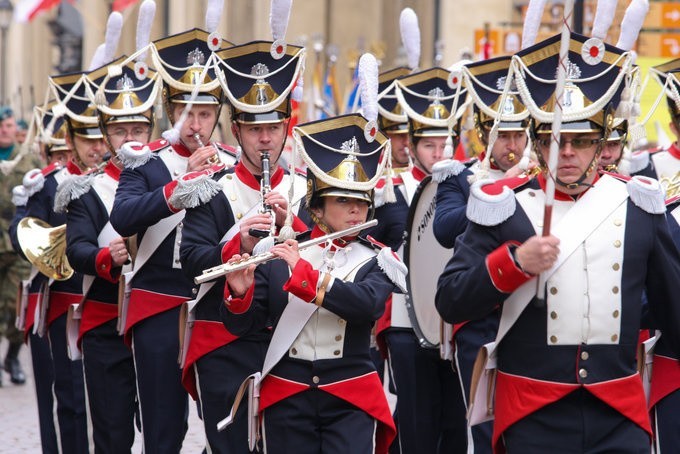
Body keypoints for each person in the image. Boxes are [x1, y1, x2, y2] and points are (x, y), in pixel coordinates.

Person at [436, 32, 680, 453]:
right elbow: (451, 299)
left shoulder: (640, 206)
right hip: (532, 412)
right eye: (553, 141)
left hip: (618, 413)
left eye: (580, 141)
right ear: (539, 141)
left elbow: (673, 307)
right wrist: (512, 263)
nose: (566, 153)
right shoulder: (504, 208)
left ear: (601, 143)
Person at [221, 104, 405, 454]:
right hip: (288, 394)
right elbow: (246, 328)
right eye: (343, 200)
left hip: (350, 394)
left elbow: (366, 305)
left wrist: (305, 276)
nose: (356, 211)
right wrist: (239, 294)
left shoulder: (377, 259)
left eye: (362, 202)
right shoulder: (284, 252)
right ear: (317, 208)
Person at [178, 35, 309, 452]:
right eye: (255, 130)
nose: (266, 140)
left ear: (287, 128)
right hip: (225, 344)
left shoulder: (307, 190)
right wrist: (239, 241)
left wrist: (292, 227)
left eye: (273, 128)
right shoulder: (213, 189)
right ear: (236, 130)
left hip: (291, 345)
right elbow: (190, 260)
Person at [109, 28, 236, 453]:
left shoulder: (233, 165)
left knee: (225, 424)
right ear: (170, 110)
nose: (196, 124)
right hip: (159, 301)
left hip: (215, 304)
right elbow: (123, 214)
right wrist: (183, 183)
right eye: (187, 112)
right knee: (163, 426)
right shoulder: (145, 160)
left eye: (204, 113)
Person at [431, 55, 531, 454]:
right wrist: (497, 191)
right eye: (502, 135)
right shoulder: (459, 175)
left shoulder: (540, 177)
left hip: (526, 312)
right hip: (477, 315)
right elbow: (443, 228)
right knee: (484, 431)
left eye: (519, 136)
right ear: (484, 134)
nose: (512, 145)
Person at [367, 67, 469, 454]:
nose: (439, 153)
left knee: (456, 421)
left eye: (445, 143)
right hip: (405, 321)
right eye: (429, 144)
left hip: (455, 317)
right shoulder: (389, 188)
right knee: (415, 421)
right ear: (411, 144)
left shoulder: (468, 185)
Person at [63, 58, 158, 453]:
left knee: (163, 432)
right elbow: (77, 248)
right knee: (112, 433)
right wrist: (105, 255)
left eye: (138, 129)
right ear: (106, 134)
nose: (130, 138)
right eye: (121, 131)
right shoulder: (86, 190)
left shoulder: (172, 179)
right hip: (107, 321)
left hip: (156, 321)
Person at [0, 106, 39, 388]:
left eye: (9, 125)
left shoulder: (28, 159)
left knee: (16, 304)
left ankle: (12, 356)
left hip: (16, 237)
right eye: (1, 126)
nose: (5, 130)